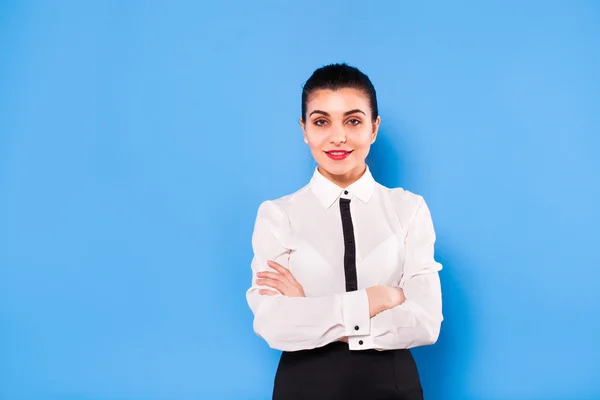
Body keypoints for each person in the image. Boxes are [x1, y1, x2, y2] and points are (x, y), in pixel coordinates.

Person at [245, 63, 443, 400]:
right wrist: (377, 299)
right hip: (304, 388)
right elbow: (274, 324)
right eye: (321, 121)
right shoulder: (278, 215)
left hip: (394, 389)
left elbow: (425, 323)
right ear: (304, 129)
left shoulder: (408, 209)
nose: (338, 136)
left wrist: (311, 311)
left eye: (353, 121)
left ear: (374, 128)